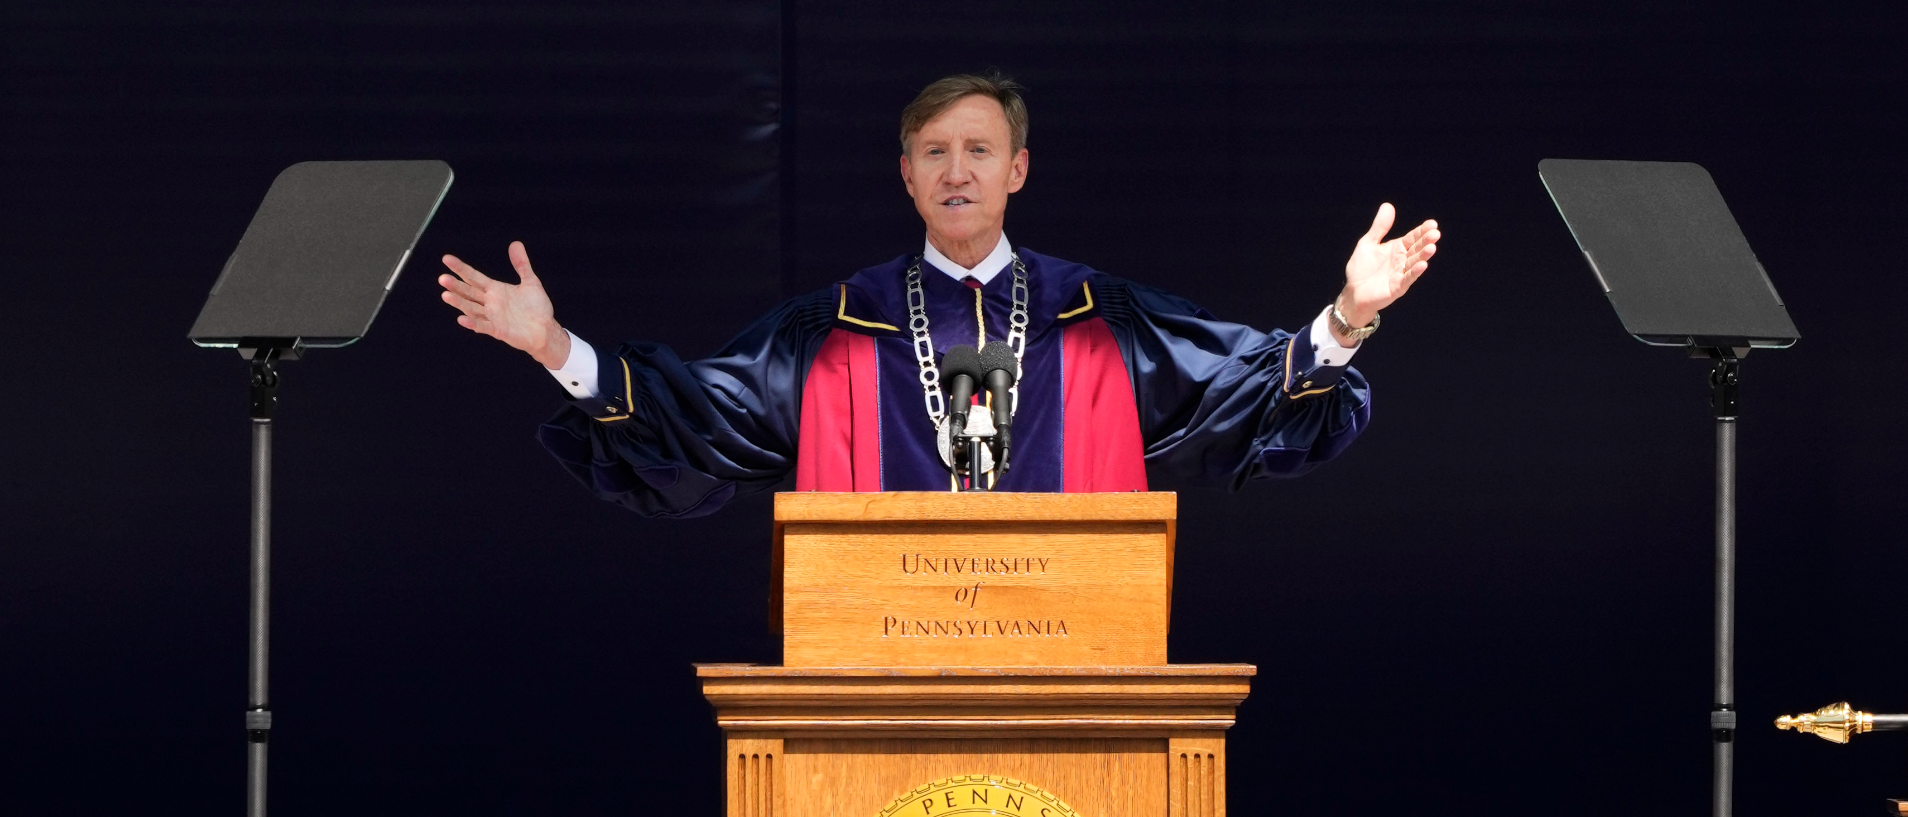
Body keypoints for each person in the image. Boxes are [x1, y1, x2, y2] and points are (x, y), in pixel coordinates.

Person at [438, 73, 1439, 518]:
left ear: (1016, 170)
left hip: (1073, 670)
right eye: (933, 153)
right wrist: (553, 347)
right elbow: (696, 413)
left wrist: (1347, 314)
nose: (955, 172)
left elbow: (1244, 391)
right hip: (876, 672)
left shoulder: (1099, 318)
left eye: (977, 151)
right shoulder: (833, 332)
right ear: (906, 176)